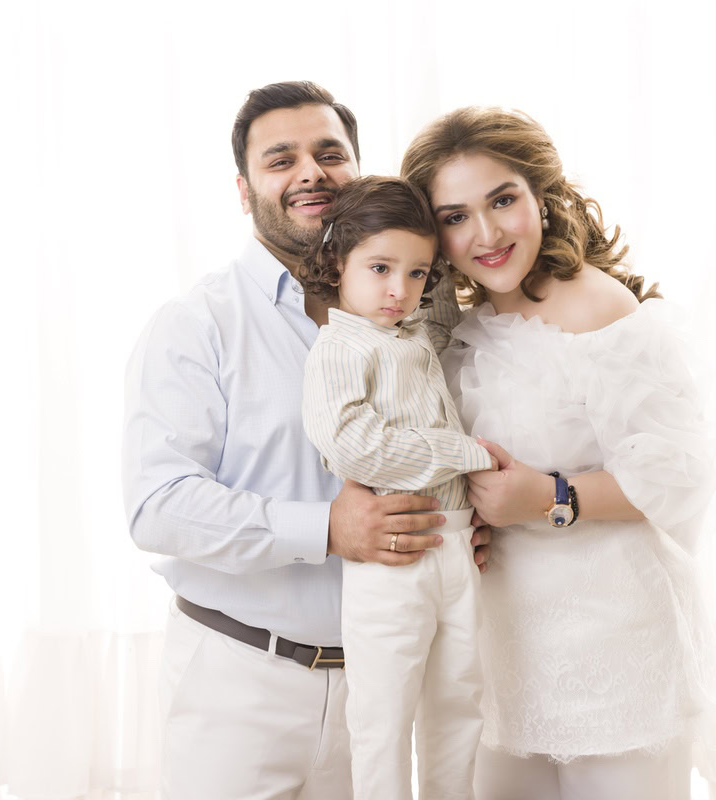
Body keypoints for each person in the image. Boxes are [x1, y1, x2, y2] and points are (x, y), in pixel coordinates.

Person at [121, 82, 492, 800]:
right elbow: (157, 506)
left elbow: (441, 433)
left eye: (330, 154)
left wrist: (459, 526)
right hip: (242, 686)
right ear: (244, 189)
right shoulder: (199, 324)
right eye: (280, 159)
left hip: (380, 682)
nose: (311, 173)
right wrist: (327, 528)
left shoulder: (411, 316)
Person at [401, 107, 716, 800]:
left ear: (541, 197)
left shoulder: (599, 311)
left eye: (502, 200)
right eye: (455, 217)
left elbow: (679, 474)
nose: (485, 234)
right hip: (503, 654)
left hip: (612, 649)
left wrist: (551, 497)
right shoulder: (462, 326)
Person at [298, 176, 495, 800]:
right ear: (337, 261)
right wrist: (466, 454)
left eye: (417, 274)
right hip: (393, 561)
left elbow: (438, 310)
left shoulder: (414, 335)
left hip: (458, 551)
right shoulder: (339, 347)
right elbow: (357, 445)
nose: (398, 290)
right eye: (381, 268)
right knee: (383, 721)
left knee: (460, 708)